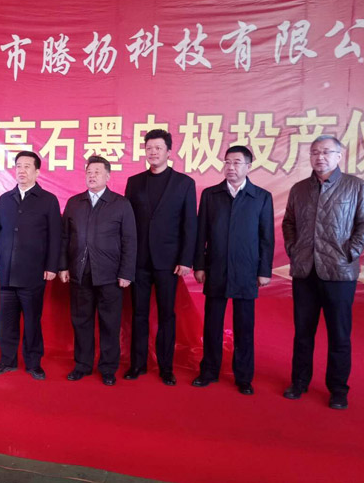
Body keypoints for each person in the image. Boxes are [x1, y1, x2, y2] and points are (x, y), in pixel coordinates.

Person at [282, 135, 364, 410]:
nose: (320, 157)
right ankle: (299, 382)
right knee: (303, 332)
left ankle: (338, 389)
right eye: (315, 152)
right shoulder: (299, 189)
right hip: (305, 270)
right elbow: (289, 222)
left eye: (326, 152)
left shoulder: (355, 187)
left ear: (339, 156)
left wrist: (351, 251)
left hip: (339, 272)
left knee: (339, 334)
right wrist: (294, 249)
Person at [191, 146, 274, 395]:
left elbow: (266, 237)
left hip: (246, 270)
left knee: (244, 327)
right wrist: (199, 265)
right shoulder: (211, 195)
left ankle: (244, 377)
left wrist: (264, 270)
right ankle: (209, 371)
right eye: (227, 162)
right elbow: (201, 233)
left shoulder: (261, 197)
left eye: (237, 162)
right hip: (215, 268)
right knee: (212, 325)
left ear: (249, 166)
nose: (231, 167)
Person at [123, 129, 197, 385]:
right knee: (139, 314)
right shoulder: (134, 182)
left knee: (167, 315)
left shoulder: (184, 183)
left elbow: (190, 224)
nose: (153, 152)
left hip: (169, 262)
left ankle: (166, 367)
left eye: (158, 148)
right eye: (149, 148)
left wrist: (186, 260)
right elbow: (127, 223)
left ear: (169, 151)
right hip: (139, 261)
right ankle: (137, 364)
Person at [59, 156, 136, 386]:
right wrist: (63, 266)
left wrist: (126, 273)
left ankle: (108, 368)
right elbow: (64, 238)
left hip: (110, 275)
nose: (92, 176)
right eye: (89, 172)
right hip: (80, 272)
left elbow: (129, 240)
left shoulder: (120, 204)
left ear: (108, 176)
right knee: (81, 321)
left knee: (109, 323)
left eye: (97, 172)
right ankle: (82, 365)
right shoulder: (75, 203)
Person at [0, 151, 61, 380]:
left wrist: (52, 266)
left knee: (32, 321)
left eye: (27, 166)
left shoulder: (48, 200)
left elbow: (55, 237)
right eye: (18, 165)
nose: (22, 170)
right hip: (7, 271)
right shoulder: (5, 199)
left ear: (37, 172)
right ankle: (7, 361)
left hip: (33, 272)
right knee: (6, 321)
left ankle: (33, 363)